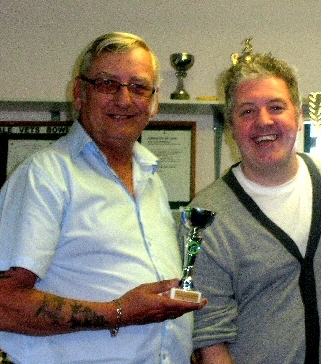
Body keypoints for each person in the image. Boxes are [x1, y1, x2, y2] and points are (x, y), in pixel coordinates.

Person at [188, 45, 321, 364]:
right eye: (247, 111)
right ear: (231, 126)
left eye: (276, 107)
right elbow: (211, 340)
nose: (264, 121)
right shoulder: (207, 217)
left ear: (298, 115)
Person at [0, 32, 205, 363]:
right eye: (108, 84)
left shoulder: (151, 177)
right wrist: (118, 311)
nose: (124, 100)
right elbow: (4, 303)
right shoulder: (46, 176)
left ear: (154, 102)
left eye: (138, 87)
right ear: (80, 93)